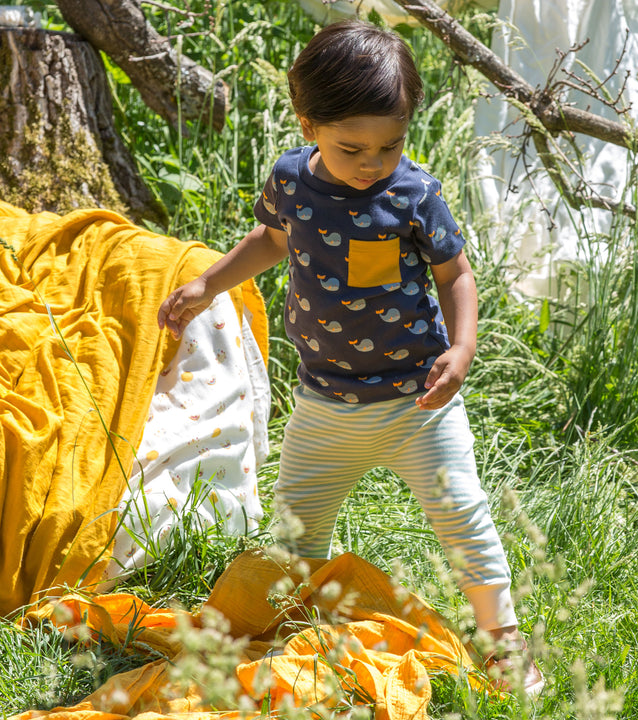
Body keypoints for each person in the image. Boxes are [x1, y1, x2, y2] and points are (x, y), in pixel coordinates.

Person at [158, 19, 543, 696]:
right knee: (296, 530)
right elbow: (273, 240)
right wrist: (207, 283)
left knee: (464, 518)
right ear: (308, 124)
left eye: (389, 145)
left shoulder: (413, 194)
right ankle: (295, 636)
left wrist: (462, 346)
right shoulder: (290, 182)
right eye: (352, 148)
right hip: (325, 405)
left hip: (417, 404)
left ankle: (502, 643)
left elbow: (455, 274)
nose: (372, 163)